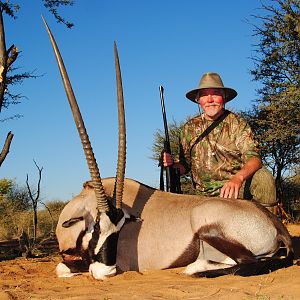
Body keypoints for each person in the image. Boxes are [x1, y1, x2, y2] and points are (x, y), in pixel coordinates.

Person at [163, 72, 277, 212]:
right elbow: (185, 166)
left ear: (224, 98)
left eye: (215, 93)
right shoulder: (188, 128)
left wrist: (238, 179)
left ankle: (271, 229)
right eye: (204, 95)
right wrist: (170, 165)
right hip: (201, 197)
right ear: (199, 100)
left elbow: (255, 159)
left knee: (264, 178)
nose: (210, 99)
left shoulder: (237, 123)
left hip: (234, 191)